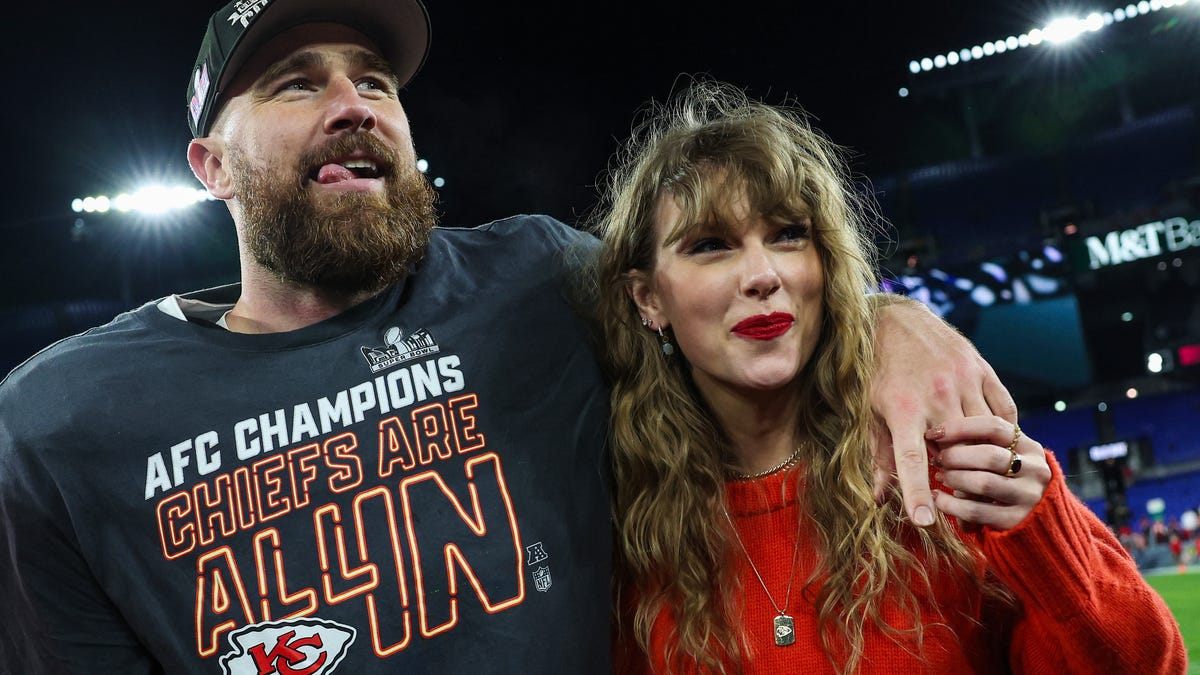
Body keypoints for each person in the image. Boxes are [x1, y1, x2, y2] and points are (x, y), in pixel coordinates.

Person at [1, 1, 1016, 673]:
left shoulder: (537, 279)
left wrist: (891, 318)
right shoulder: (63, 424)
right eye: (295, 82)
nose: (354, 103)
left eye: (376, 81)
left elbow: (731, 294)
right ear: (208, 165)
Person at [594, 82, 1186, 673]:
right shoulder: (618, 525)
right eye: (710, 245)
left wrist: (1044, 537)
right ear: (648, 298)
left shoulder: (931, 460)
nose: (762, 274)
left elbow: (1145, 665)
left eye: (788, 234)